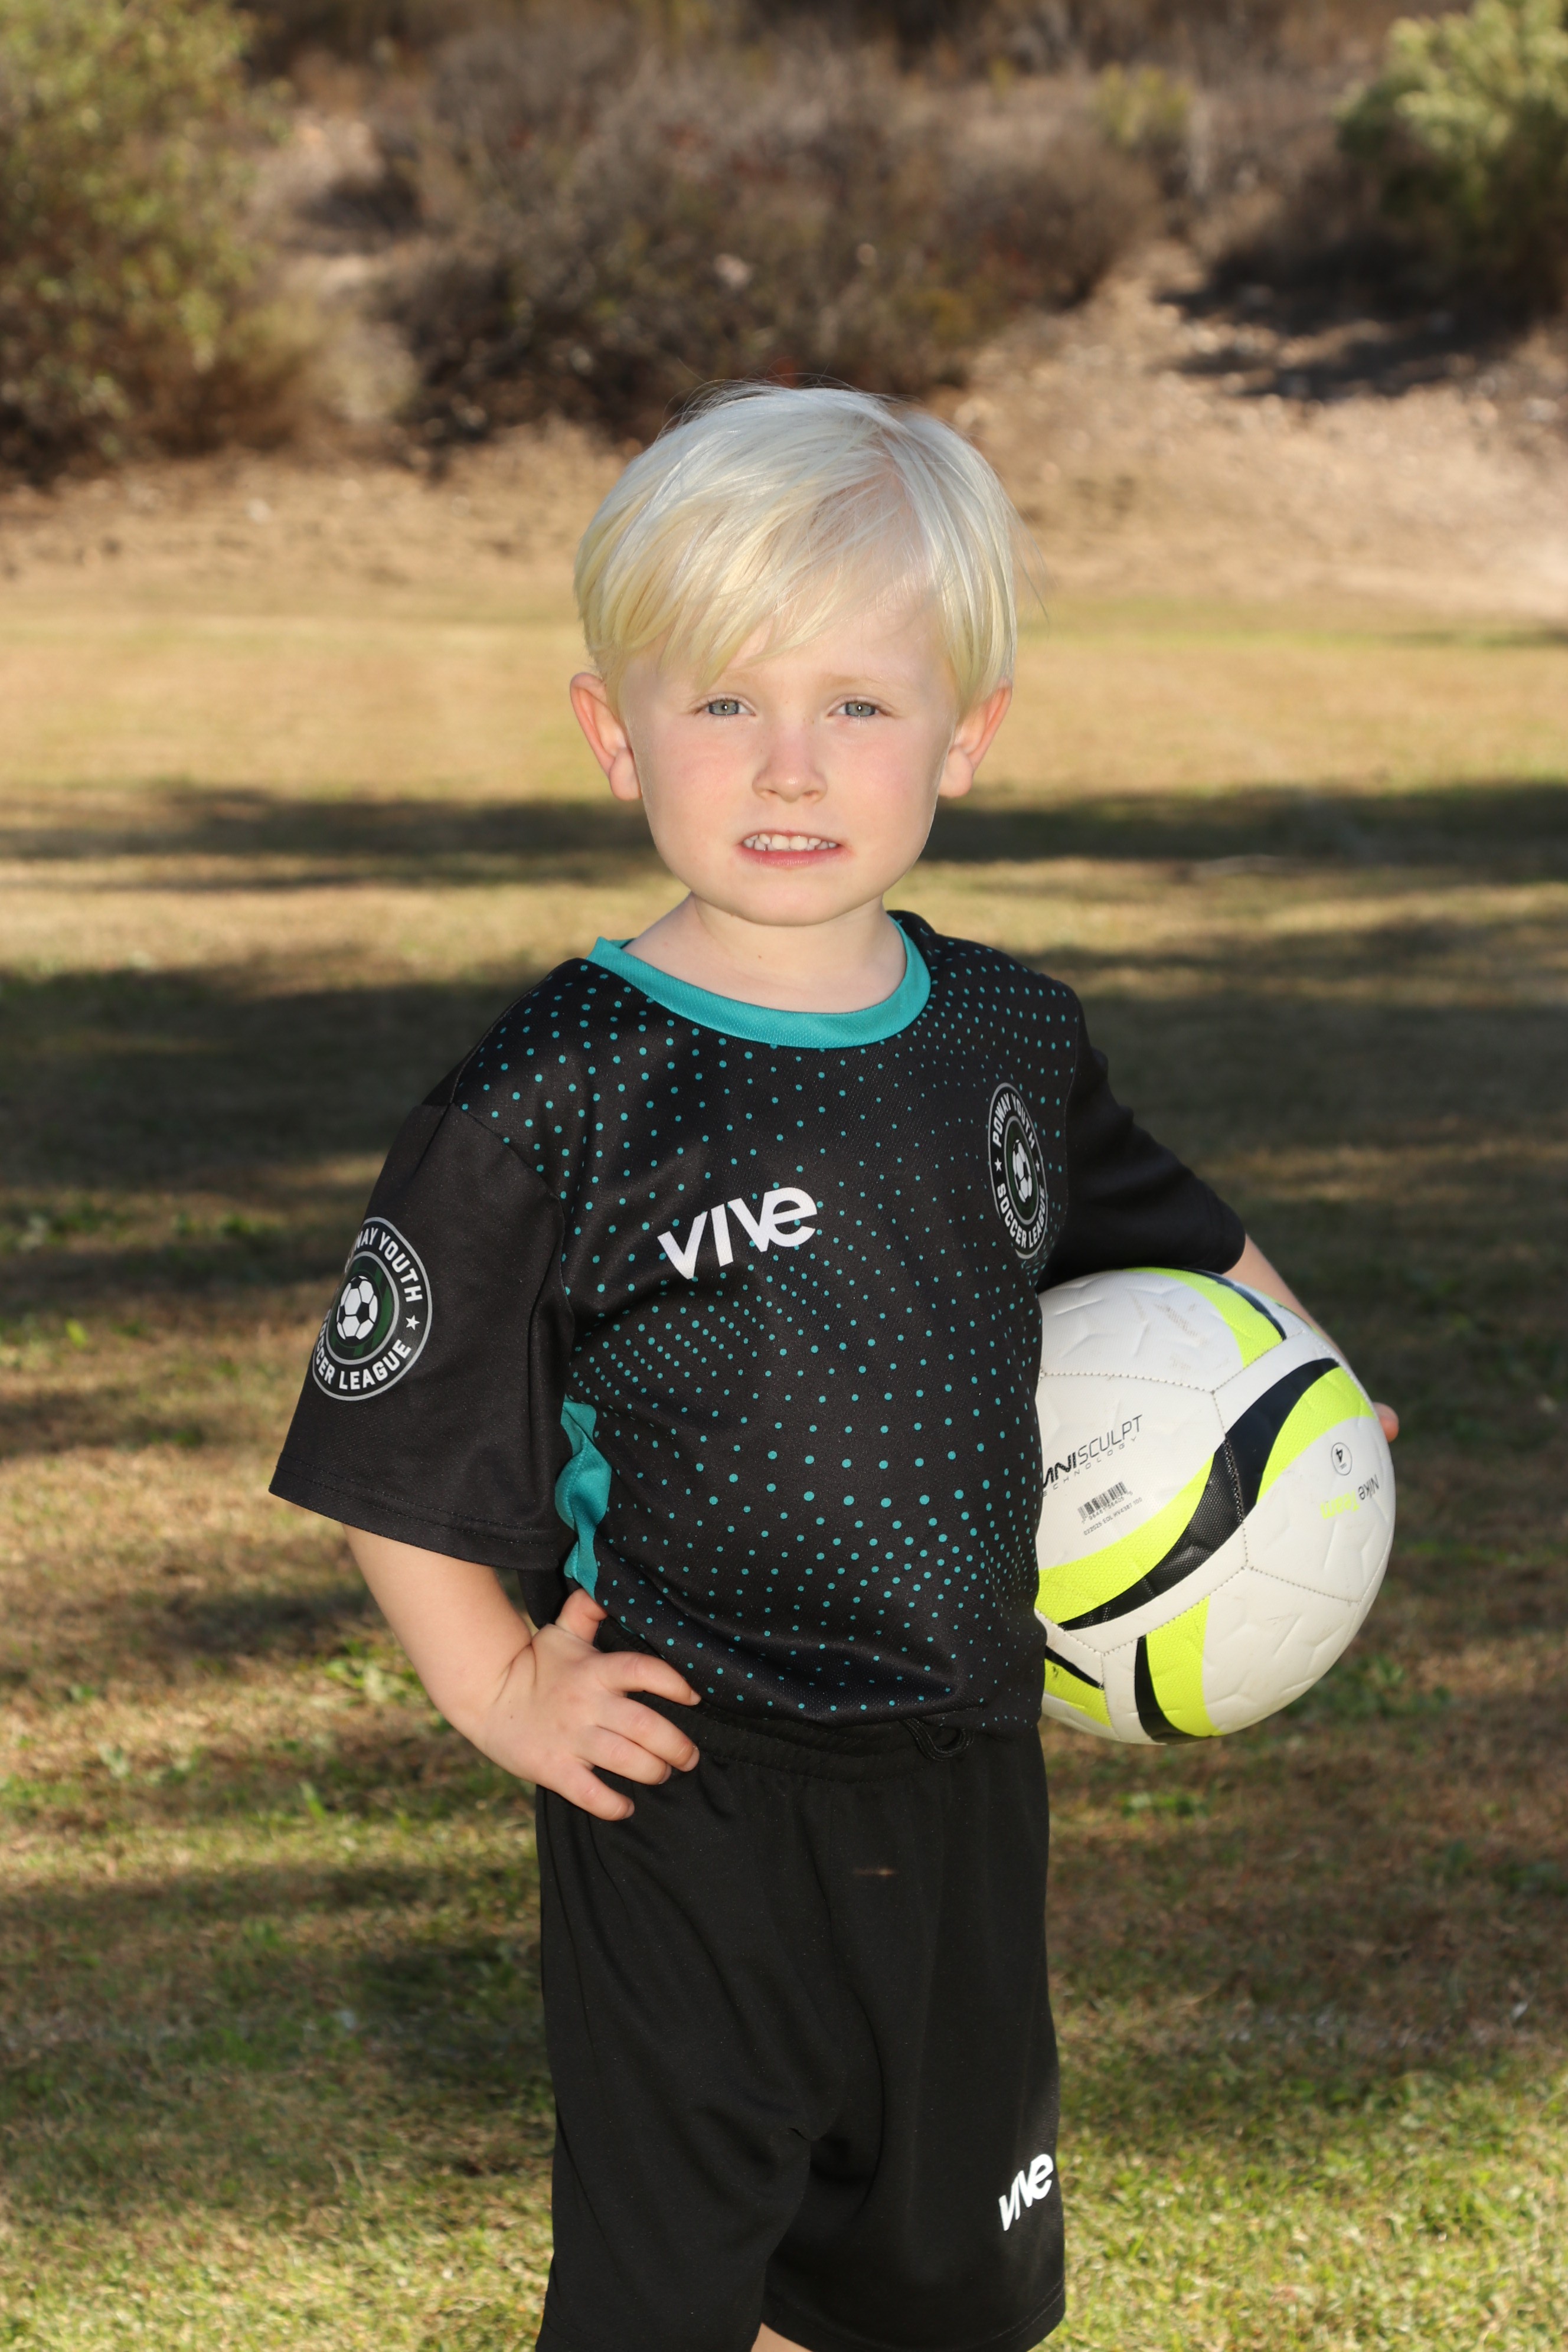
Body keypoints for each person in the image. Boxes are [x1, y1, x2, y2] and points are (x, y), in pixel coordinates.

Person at [270, 384, 1390, 2352]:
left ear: (967, 732)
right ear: (615, 732)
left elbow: (1172, 1243)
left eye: (859, 704)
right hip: (691, 1785)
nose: (789, 763)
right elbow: (393, 1435)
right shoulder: (558, 1093)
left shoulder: (1005, 1039)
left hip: (968, 1770)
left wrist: (1316, 1402)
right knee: (681, 2286)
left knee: (921, 2286)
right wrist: (506, 1689)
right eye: (724, 701)